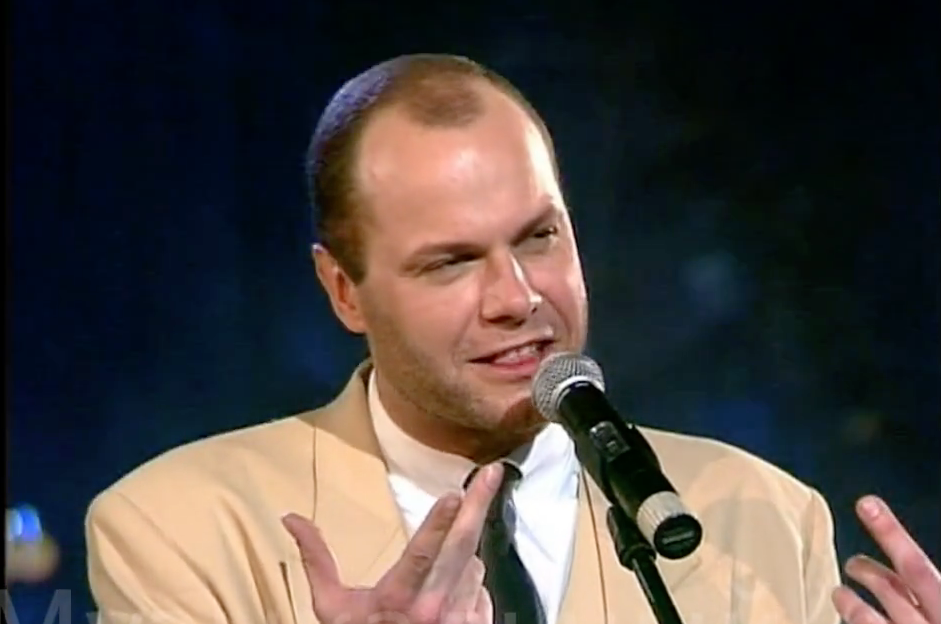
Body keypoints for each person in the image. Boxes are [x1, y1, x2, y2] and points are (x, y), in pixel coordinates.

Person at [85, 54, 940, 624]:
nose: (517, 298)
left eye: (539, 237)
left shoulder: (766, 519)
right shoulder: (181, 530)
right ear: (343, 291)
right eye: (451, 262)